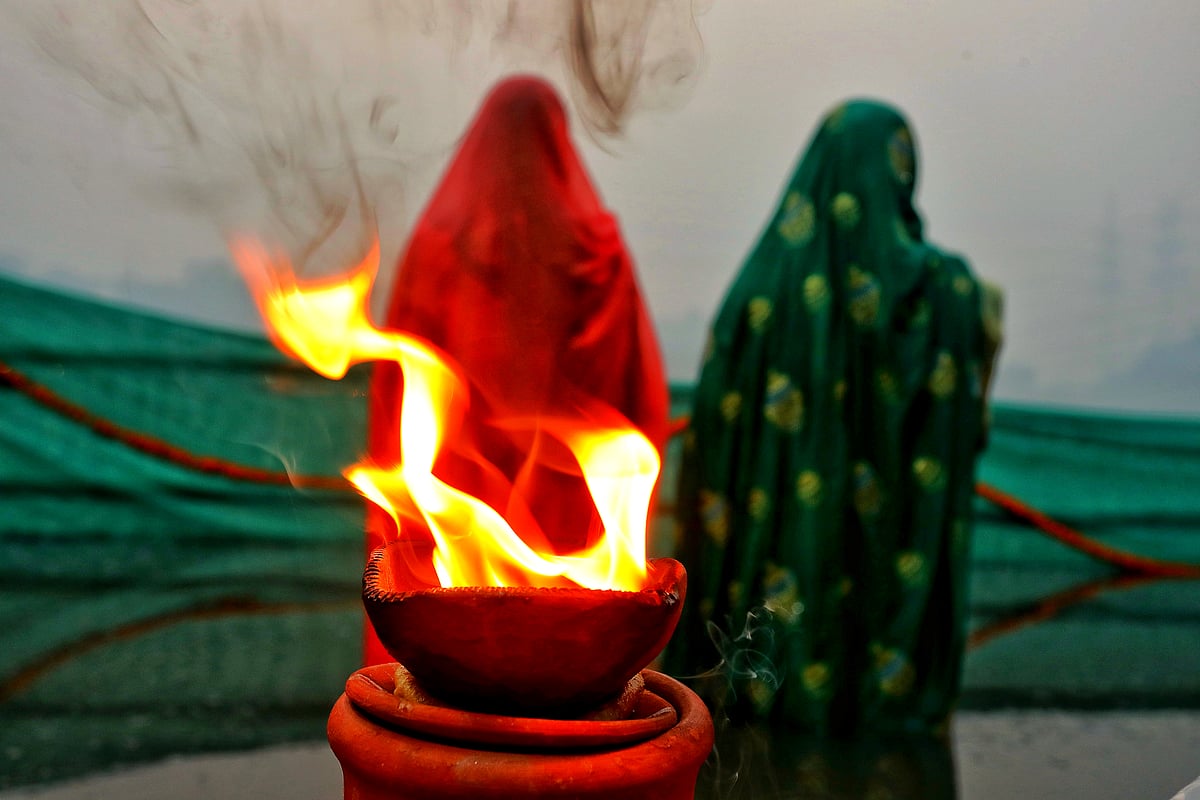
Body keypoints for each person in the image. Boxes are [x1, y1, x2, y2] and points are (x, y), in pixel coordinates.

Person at [664, 99, 1002, 735]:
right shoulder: (947, 295)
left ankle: (757, 695)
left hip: (769, 582)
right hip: (882, 634)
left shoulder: (757, 292)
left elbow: (716, 432)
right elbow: (974, 393)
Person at [365, 75, 669, 665]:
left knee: (443, 673)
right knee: (564, 666)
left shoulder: (436, 246)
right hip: (573, 507)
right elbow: (640, 390)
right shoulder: (599, 249)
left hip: (449, 492)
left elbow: (396, 389)